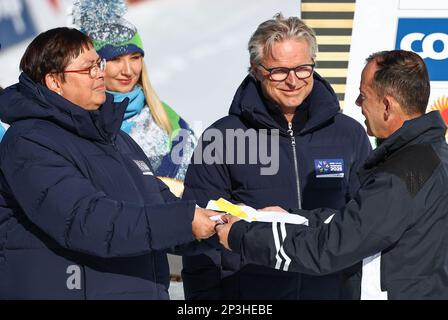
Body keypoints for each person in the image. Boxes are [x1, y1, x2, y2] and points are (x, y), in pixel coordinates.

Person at [0, 27, 217, 300]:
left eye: (98, 64)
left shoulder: (116, 140)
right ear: (54, 81)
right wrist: (186, 220)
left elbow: (162, 209)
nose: (99, 73)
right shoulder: (29, 142)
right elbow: (88, 221)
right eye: (88, 68)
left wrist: (226, 222)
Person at [217, 50, 448, 300]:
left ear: (387, 105)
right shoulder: (434, 157)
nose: (358, 104)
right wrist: (287, 217)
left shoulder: (405, 173)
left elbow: (329, 248)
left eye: (363, 96)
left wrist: (241, 236)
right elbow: (360, 223)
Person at [181, 13, 372, 300]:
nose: (293, 81)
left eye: (302, 68)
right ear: (256, 70)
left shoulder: (349, 134)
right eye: (279, 71)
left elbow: (365, 224)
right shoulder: (221, 138)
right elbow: (199, 242)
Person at [73, 0, 196, 196]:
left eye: (135, 57)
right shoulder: (81, 124)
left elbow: (195, 170)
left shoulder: (166, 116)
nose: (128, 71)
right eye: (115, 60)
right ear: (95, 66)